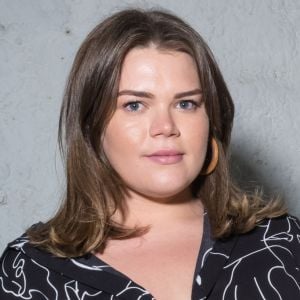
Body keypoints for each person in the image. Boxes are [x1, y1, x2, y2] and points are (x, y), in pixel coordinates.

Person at [0, 8, 299, 300]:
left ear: (211, 121)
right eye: (134, 105)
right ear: (92, 126)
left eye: (186, 104)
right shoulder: (30, 270)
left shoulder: (284, 244)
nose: (165, 127)